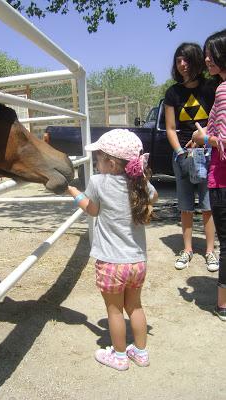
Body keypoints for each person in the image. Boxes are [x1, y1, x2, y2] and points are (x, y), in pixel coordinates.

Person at [67, 129, 158, 371]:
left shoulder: (98, 182)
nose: (96, 165)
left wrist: (74, 193)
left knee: (114, 310)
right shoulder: (140, 184)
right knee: (135, 306)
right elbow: (155, 196)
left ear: (111, 162)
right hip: (137, 262)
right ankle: (140, 353)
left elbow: (92, 210)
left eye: (97, 160)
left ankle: (118, 356)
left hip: (111, 263)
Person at [164, 42, 219, 272]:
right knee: (185, 206)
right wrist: (179, 152)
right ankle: (186, 250)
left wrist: (203, 138)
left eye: (186, 59)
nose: (182, 64)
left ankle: (210, 251)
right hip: (183, 156)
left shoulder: (213, 87)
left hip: (208, 154)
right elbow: (170, 128)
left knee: (208, 206)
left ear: (197, 61)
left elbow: (218, 121)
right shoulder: (173, 92)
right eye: (178, 60)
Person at [192, 29, 226, 321]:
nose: (206, 58)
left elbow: (223, 139)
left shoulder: (224, 90)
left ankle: (222, 304)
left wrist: (204, 137)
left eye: (211, 53)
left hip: (222, 176)